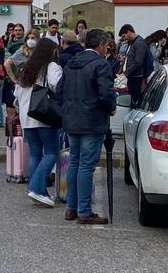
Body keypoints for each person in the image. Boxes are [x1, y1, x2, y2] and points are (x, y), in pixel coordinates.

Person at [55, 29, 116, 225]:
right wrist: (111, 108)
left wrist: (68, 108)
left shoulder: (71, 62)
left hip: (72, 119)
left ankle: (71, 208)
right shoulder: (101, 64)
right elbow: (105, 93)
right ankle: (84, 211)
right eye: (106, 45)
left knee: (75, 162)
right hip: (92, 120)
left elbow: (59, 90)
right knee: (86, 166)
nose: (107, 49)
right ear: (100, 45)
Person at [14, 38, 62, 207]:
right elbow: (57, 86)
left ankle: (36, 191)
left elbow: (16, 96)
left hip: (26, 118)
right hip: (44, 116)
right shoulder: (51, 67)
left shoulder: (25, 68)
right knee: (52, 152)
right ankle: (36, 188)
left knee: (35, 154)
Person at [118, 24, 148, 109]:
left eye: (124, 36)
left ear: (128, 32)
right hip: (132, 77)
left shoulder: (139, 43)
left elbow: (138, 62)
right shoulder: (132, 43)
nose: (124, 39)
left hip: (136, 78)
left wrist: (125, 73)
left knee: (135, 102)